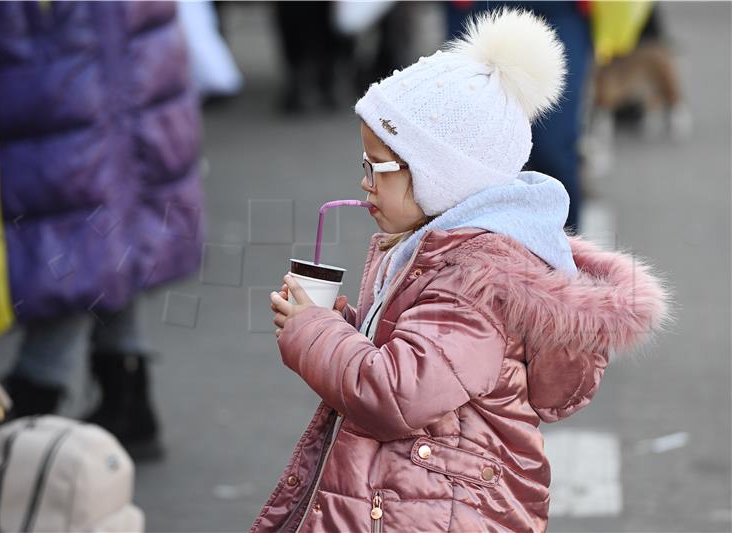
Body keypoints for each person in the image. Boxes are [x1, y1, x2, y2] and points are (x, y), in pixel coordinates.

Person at [255, 9, 669, 532]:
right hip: (419, 493)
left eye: (377, 167)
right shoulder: (439, 249)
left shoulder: (472, 279)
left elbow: (396, 392)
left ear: (442, 175)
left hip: (437, 512)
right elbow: (419, 350)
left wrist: (312, 333)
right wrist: (342, 323)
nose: (363, 182)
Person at [0, 1, 205, 460]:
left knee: (78, 203)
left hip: (72, 41)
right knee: (104, 209)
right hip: (106, 41)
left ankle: (37, 394)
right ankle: (124, 389)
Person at [447, 1, 593, 231]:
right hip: (481, 10)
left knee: (553, 150)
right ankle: (475, 253)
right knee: (477, 149)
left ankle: (565, 251)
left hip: (560, 11)